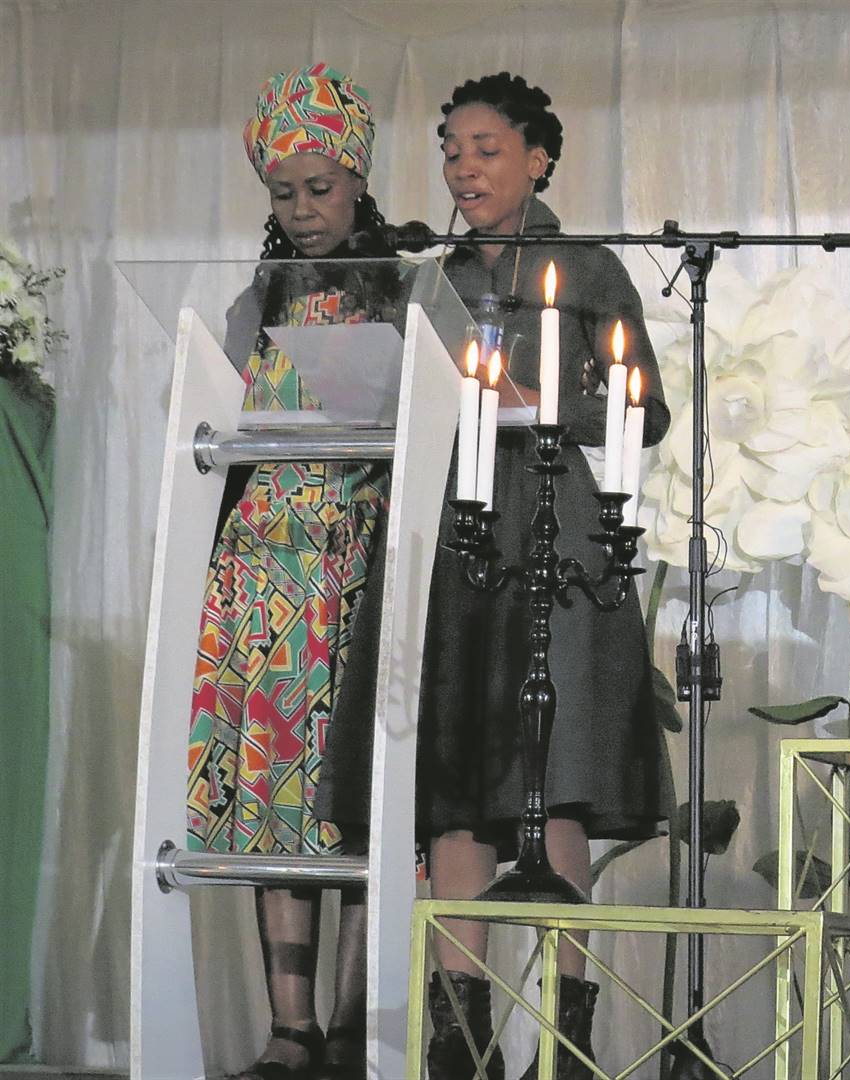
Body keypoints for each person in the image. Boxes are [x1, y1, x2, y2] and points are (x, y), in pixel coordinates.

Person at [321, 71, 670, 1080]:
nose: (464, 170)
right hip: (448, 531)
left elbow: (642, 412)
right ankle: (457, 1039)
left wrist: (536, 400)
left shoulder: (589, 267)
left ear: (537, 159)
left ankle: (566, 1034)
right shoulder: (426, 277)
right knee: (456, 780)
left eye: (485, 150)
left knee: (553, 779)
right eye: (452, 153)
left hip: (555, 530)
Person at [185, 63, 399, 1080]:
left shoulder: (402, 286)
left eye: (321, 187)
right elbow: (214, 424)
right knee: (274, 798)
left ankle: (354, 1023)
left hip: (354, 561)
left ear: (358, 181)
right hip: (262, 564)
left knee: (348, 791)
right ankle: (290, 1025)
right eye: (285, 192)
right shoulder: (255, 300)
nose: (304, 209)